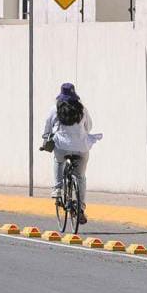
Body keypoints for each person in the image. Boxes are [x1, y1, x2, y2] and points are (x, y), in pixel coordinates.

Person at [41, 83, 100, 225]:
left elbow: (47, 128)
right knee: (80, 177)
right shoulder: (82, 109)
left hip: (61, 146)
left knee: (58, 160)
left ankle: (57, 189)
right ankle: (80, 208)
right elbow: (89, 127)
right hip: (81, 148)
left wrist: (45, 139)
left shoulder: (54, 109)